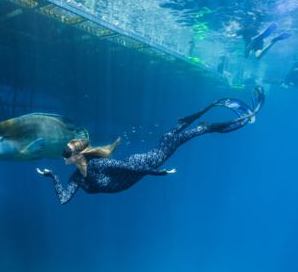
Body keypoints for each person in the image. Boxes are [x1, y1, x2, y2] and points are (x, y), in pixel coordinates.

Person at [37, 86, 265, 205]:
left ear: (78, 155)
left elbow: (128, 169)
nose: (63, 155)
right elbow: (64, 200)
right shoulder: (75, 179)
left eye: (66, 152)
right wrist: (52, 176)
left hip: (142, 164)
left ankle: (226, 120)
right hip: (139, 166)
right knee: (169, 137)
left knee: (175, 139)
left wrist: (159, 172)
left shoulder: (97, 166)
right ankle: (201, 118)